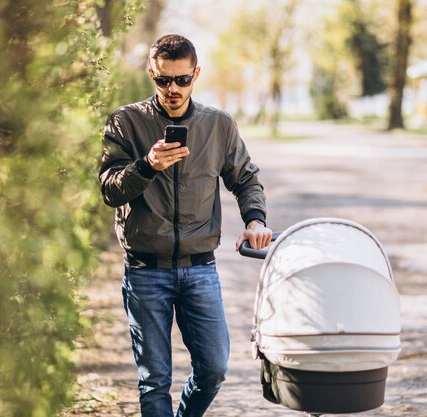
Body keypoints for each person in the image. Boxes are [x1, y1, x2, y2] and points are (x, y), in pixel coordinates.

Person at [98, 34, 273, 417]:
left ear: (196, 74)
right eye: (163, 80)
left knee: (213, 369)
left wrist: (255, 219)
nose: (172, 89)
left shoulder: (219, 125)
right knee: (154, 380)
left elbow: (245, 179)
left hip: (200, 270)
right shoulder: (125, 123)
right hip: (145, 272)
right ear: (151, 74)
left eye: (181, 79)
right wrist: (147, 166)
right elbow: (109, 190)